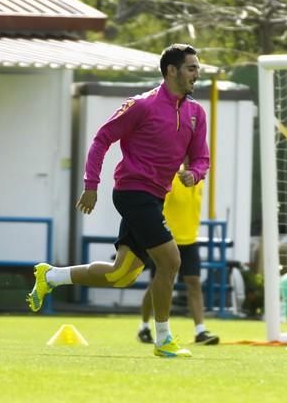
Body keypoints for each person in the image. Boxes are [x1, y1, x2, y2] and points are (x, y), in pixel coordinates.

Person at [27, 44, 209, 358]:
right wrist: (91, 184)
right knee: (171, 261)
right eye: (191, 67)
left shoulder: (196, 113)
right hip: (132, 192)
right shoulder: (142, 105)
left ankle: (51, 276)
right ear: (171, 71)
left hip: (155, 198)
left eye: (197, 67)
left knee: (120, 274)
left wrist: (195, 172)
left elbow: (202, 158)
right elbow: (102, 138)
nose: (197, 73)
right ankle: (163, 339)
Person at [137, 164, 219, 345]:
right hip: (166, 240)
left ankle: (200, 331)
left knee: (194, 283)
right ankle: (143, 327)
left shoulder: (198, 179)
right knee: (157, 285)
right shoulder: (171, 176)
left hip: (190, 240)